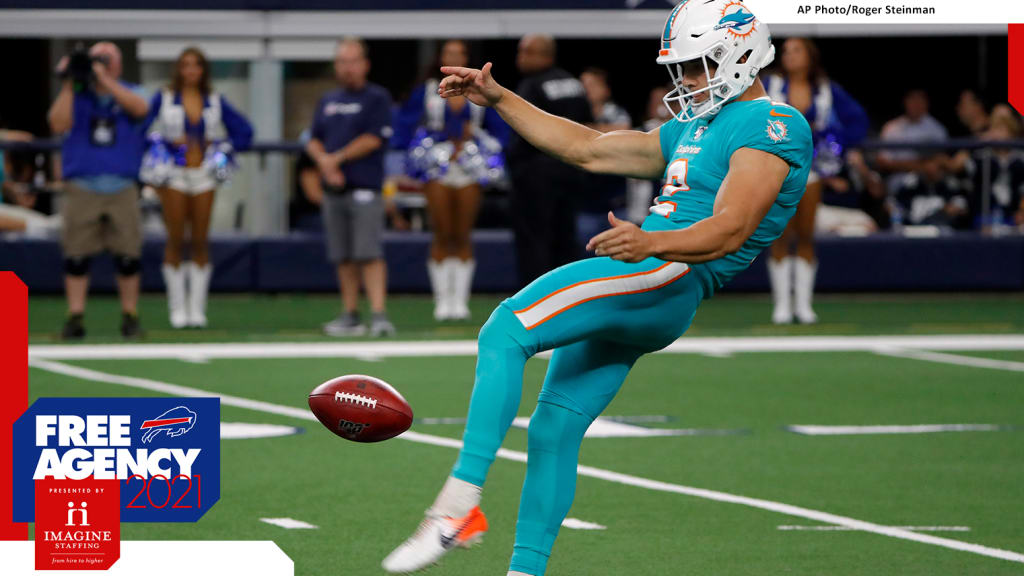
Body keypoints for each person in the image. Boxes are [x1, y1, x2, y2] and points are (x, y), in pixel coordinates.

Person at [382, 2, 811, 574]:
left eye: (697, 65)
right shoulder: (696, 125)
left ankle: (455, 508)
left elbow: (730, 228)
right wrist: (501, 98)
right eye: (680, 67)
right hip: (656, 279)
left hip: (664, 273)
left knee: (504, 330)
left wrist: (654, 244)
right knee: (553, 426)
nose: (684, 80)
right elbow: (589, 147)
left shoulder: (771, 124)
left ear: (739, 56)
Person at [393, 39, 510, 321]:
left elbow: (500, 128)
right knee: (442, 231)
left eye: (459, 53)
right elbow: (406, 126)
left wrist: (477, 143)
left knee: (463, 233)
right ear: (442, 59)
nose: (454, 57)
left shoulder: (482, 90)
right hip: (437, 167)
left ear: (466, 58)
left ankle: (460, 300)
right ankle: (442, 300)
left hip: (470, 167)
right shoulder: (427, 91)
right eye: (449, 53)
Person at [143, 47, 253, 329]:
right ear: (178, 69)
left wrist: (221, 146)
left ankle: (197, 309)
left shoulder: (215, 100)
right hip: (174, 174)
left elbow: (244, 132)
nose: (191, 71)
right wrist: (162, 144)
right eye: (185, 65)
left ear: (203, 70)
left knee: (201, 239)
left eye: (196, 65)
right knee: (176, 238)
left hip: (204, 173)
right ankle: (177, 309)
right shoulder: (165, 97)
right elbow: (140, 129)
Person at [48, 41, 149, 340]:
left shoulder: (131, 91)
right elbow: (56, 123)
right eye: (96, 59)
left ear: (118, 63)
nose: (101, 63)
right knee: (76, 256)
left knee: (128, 255)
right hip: (82, 185)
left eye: (107, 59)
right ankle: (75, 316)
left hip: (122, 185)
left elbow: (141, 109)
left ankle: (130, 315)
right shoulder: (77, 95)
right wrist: (70, 82)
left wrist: (105, 80)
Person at [763, 37, 868, 324]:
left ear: (810, 56)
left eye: (796, 51)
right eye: (785, 51)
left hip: (811, 168)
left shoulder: (825, 90)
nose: (790, 56)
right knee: (780, 234)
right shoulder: (768, 86)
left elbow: (858, 121)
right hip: (777, 167)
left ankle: (804, 305)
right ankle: (782, 305)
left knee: (807, 233)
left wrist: (834, 145)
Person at [306, 37, 396, 337]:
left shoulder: (377, 98)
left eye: (353, 61)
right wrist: (324, 161)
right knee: (342, 255)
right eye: (342, 61)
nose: (348, 67)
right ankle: (350, 315)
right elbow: (313, 137)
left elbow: (373, 138)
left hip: (365, 188)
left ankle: (379, 315)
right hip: (334, 190)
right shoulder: (328, 100)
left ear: (365, 64)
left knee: (369, 252)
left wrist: (337, 159)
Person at [507, 35, 593, 288]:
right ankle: (567, 296)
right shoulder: (574, 84)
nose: (520, 58)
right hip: (571, 171)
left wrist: (514, 163)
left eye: (527, 52)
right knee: (565, 238)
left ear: (546, 55)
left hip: (536, 175)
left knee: (534, 240)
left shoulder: (532, 85)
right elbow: (588, 126)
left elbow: (525, 130)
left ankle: (534, 298)